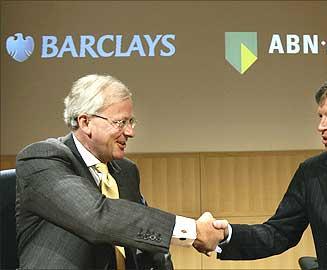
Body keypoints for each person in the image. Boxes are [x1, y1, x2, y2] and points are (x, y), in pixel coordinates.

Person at [15, 74, 224, 270]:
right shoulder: (42, 159)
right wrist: (193, 231)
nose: (130, 132)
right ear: (86, 122)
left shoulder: (126, 171)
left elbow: (140, 235)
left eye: (131, 122)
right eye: (120, 122)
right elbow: (97, 218)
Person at [209, 72, 327, 270]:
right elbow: (278, 234)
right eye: (320, 117)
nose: (321, 126)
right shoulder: (312, 173)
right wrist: (226, 234)